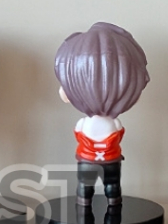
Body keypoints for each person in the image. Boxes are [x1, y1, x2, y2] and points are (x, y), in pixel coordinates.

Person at [54, 23, 149, 205]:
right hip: (111, 160)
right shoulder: (114, 123)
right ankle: (113, 202)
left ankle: (84, 203)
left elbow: (78, 133)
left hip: (87, 160)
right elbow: (119, 134)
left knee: (85, 185)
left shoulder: (84, 123)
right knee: (112, 185)